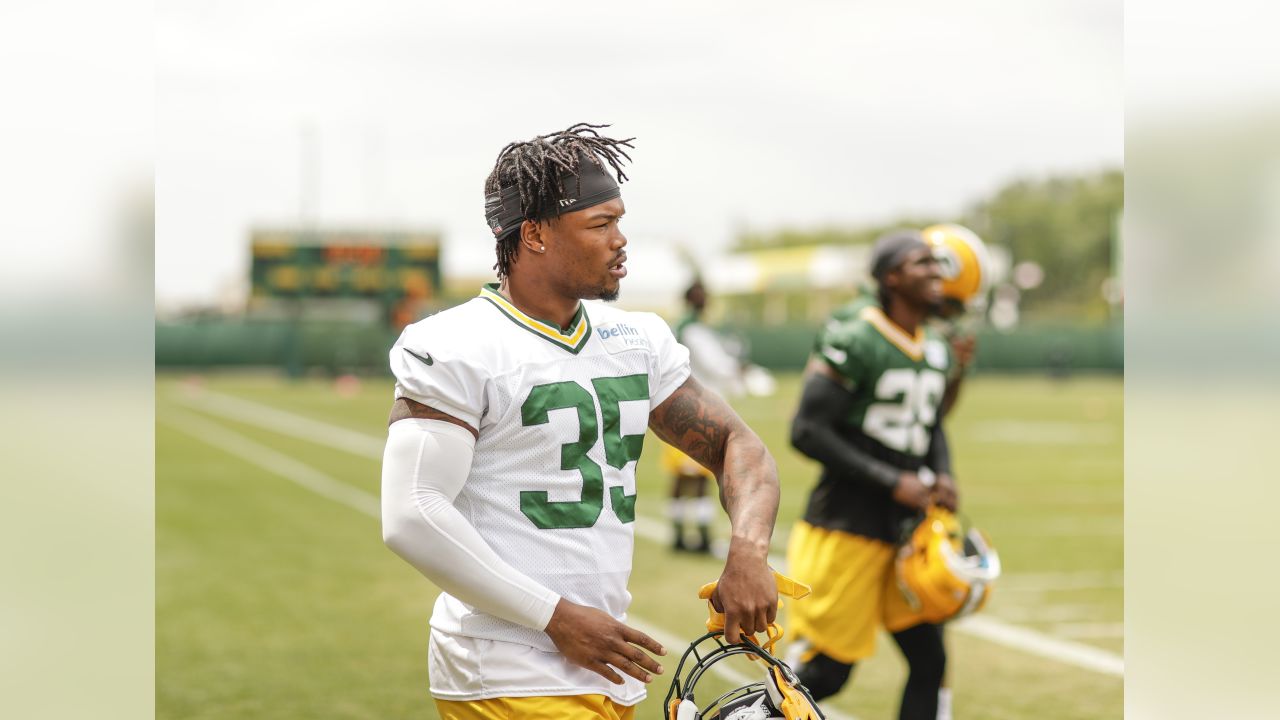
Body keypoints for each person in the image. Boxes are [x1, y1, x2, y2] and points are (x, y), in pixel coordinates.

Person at [380, 123, 781, 720]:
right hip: (504, 663)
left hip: (604, 661)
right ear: (535, 234)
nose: (620, 242)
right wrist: (555, 617)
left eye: (620, 222)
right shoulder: (457, 342)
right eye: (600, 224)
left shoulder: (636, 338)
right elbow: (412, 512)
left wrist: (747, 550)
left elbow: (736, 445)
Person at [785, 230, 955, 720]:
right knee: (824, 675)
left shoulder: (936, 347)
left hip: (905, 531)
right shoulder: (857, 337)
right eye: (922, 262)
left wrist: (943, 473)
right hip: (847, 526)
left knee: (930, 660)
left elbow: (932, 424)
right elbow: (807, 431)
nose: (937, 271)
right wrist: (891, 480)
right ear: (891, 277)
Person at [662, 279, 751, 554]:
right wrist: (738, 369)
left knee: (681, 478)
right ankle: (700, 538)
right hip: (698, 408)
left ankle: (678, 534)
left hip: (676, 407)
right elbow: (715, 364)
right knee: (700, 477)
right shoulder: (693, 329)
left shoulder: (681, 326)